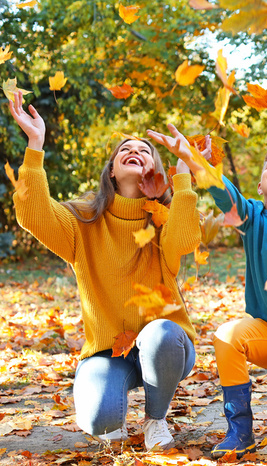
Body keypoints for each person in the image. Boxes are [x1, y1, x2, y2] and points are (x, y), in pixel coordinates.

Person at [8, 91, 202, 451]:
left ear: (155, 170)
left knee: (160, 334)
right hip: (107, 351)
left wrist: (184, 174)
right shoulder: (83, 220)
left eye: (145, 150)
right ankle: (109, 402)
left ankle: (155, 420)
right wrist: (36, 145)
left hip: (166, 345)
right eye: (125, 149)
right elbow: (32, 213)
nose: (136, 151)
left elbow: (185, 240)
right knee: (101, 419)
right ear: (111, 170)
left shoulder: (164, 220)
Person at [166, 77, 267, 458]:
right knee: (225, 335)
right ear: (260, 183)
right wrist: (191, 158)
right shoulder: (250, 216)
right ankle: (240, 430)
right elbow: (222, 191)